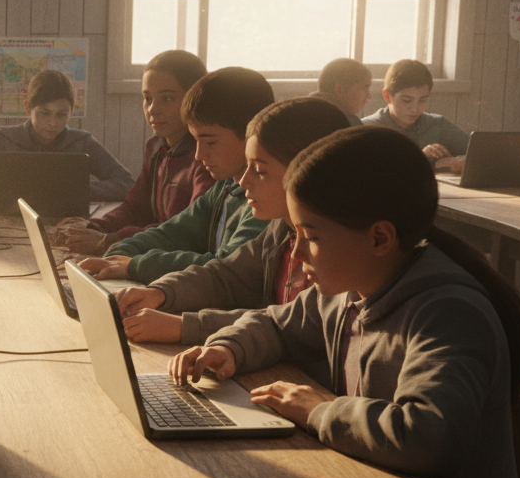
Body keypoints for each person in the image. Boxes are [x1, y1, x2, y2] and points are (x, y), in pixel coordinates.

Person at [169, 125, 520, 478]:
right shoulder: (350, 290)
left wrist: (321, 409)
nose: (296, 253)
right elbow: (276, 324)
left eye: (311, 236)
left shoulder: (447, 312)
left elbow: (428, 434)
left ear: (380, 237)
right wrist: (229, 348)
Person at [114, 97, 351, 346]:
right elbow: (225, 276)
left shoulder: (340, 250)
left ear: (308, 173)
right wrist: (161, 292)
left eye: (260, 171)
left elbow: (289, 324)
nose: (243, 181)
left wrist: (185, 326)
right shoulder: (280, 229)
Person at [79, 67, 273, 284]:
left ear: (252, 135)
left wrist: (135, 265)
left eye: (210, 142)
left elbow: (226, 266)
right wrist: (122, 250)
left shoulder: (266, 199)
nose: (199, 155)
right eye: (196, 141)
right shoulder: (225, 186)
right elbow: (172, 232)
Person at [56, 50, 214, 255]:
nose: (153, 109)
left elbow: (185, 232)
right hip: (151, 251)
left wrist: (110, 241)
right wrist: (94, 227)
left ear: (194, 99)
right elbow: (135, 208)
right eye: (147, 98)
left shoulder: (206, 157)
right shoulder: (156, 148)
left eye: (167, 98)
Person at [0, 69, 133, 202]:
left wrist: (77, 191)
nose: (53, 123)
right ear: (28, 108)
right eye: (44, 113)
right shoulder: (2, 138)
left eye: (61, 114)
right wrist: (18, 191)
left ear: (71, 112)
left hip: (67, 222)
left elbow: (126, 183)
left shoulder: (82, 142)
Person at [362, 59, 467, 172]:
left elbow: (477, 153)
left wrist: (457, 161)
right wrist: (422, 160)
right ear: (387, 96)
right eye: (406, 100)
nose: (415, 109)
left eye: (422, 100)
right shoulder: (367, 128)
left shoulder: (437, 124)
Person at [308, 57, 371, 126]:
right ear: (340, 90)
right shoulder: (347, 122)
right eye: (364, 88)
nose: (369, 95)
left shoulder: (303, 113)